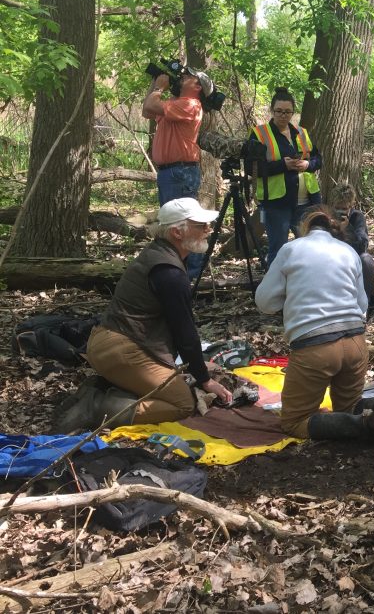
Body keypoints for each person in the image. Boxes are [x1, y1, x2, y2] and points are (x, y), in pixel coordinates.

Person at [53, 198, 233, 433]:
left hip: (104, 343)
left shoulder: (158, 253)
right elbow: (184, 332)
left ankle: (104, 388)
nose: (208, 230)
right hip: (122, 352)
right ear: (178, 232)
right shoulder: (169, 273)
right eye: (200, 225)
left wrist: (195, 367)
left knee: (176, 384)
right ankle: (98, 407)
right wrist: (204, 379)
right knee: (182, 403)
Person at [255, 207, 374, 442]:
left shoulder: (290, 250)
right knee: (348, 407)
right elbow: (362, 304)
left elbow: (264, 301)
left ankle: (363, 425)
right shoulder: (348, 251)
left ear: (304, 228)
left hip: (315, 347)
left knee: (294, 422)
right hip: (356, 344)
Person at [142, 65, 215, 279]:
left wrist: (159, 87)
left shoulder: (191, 104)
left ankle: (190, 275)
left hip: (180, 172)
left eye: (190, 76)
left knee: (183, 224)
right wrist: (155, 84)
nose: (184, 76)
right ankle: (178, 270)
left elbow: (152, 103)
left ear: (198, 87)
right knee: (171, 223)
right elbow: (147, 110)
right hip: (171, 172)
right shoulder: (175, 103)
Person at [250, 87, 322, 266]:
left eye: (288, 112)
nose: (283, 115)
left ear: (293, 112)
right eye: (279, 111)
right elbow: (254, 168)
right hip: (276, 203)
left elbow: (317, 159)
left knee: (310, 248)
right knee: (278, 250)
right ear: (272, 111)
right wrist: (283, 165)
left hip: (306, 201)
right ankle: (275, 290)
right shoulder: (259, 133)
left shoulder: (301, 132)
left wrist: (307, 165)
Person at [327, 183, 374, 304]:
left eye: (344, 209)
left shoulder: (357, 217)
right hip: (330, 260)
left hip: (352, 258)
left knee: (366, 260)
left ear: (351, 206)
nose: (340, 212)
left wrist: (347, 228)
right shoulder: (326, 217)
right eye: (337, 208)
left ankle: (365, 302)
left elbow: (363, 247)